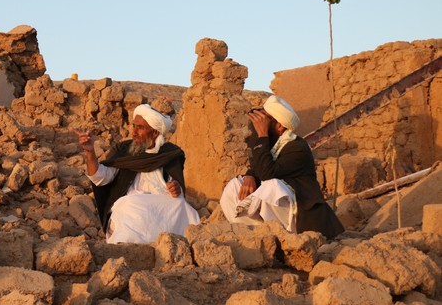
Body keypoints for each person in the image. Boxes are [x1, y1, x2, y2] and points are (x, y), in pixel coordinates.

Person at [220, 94, 344, 239]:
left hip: (301, 214)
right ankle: (256, 235)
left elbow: (268, 173)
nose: (261, 123)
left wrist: (262, 134)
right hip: (279, 211)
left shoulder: (297, 147)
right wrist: (250, 176)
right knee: (235, 185)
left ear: (279, 126)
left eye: (266, 120)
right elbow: (258, 163)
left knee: (272, 187)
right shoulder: (272, 142)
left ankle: (282, 237)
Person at [75, 103, 200, 244]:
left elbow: (176, 186)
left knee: (181, 205)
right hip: (133, 206)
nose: (134, 132)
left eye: (140, 128)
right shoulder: (124, 150)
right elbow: (99, 178)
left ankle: (177, 243)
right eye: (134, 126)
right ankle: (127, 245)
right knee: (130, 204)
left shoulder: (169, 153)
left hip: (160, 205)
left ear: (155, 133)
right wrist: (90, 153)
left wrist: (176, 189)